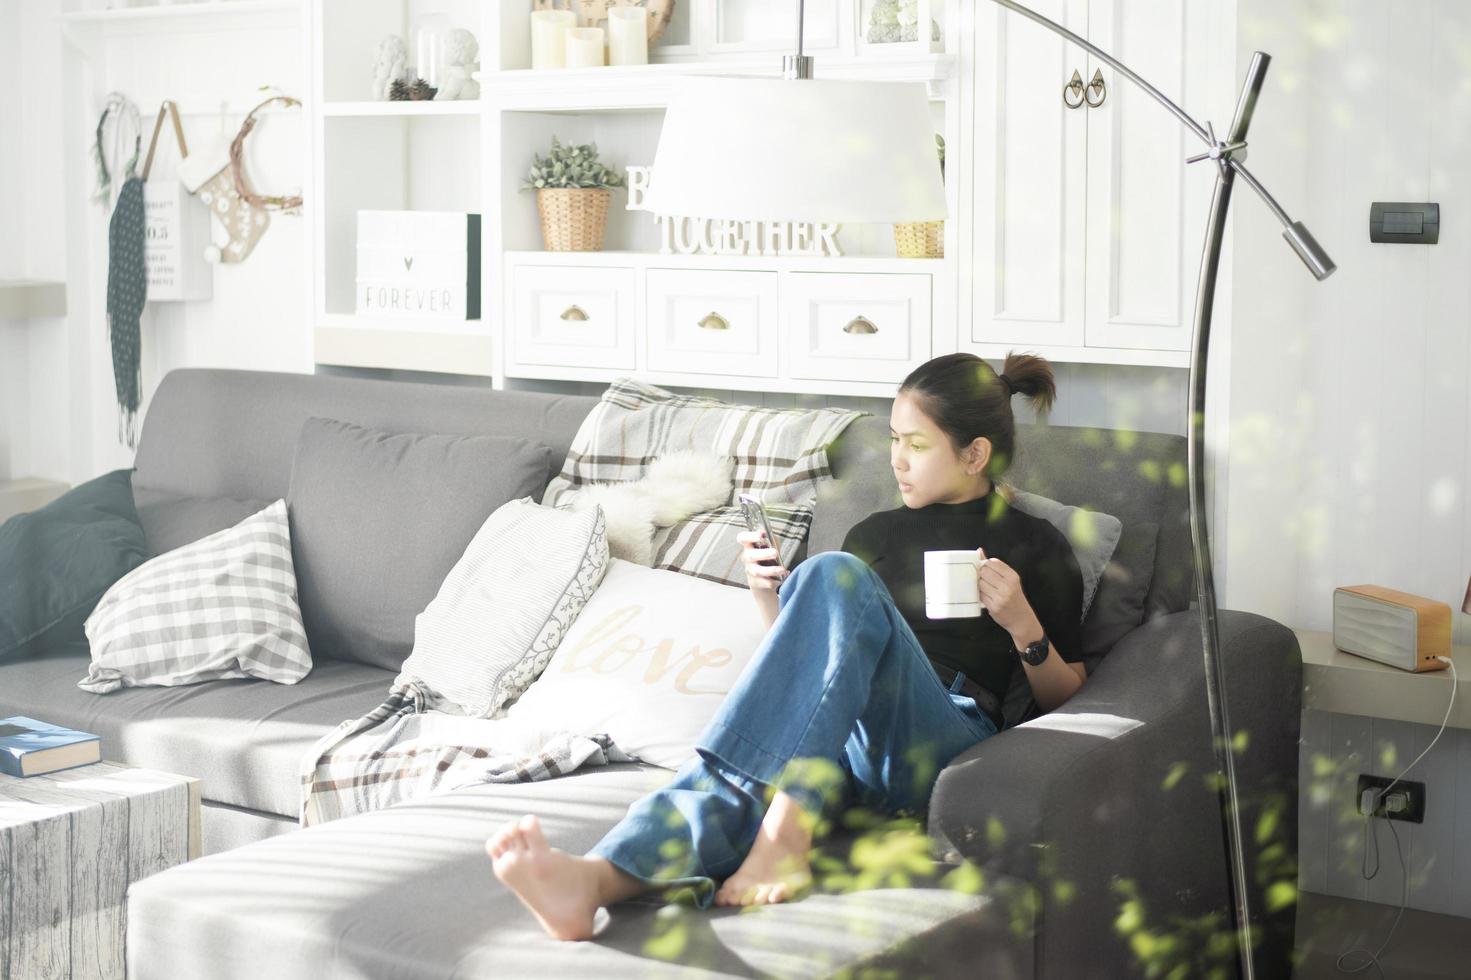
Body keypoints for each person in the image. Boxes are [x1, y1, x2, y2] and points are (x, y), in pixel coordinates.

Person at [486, 351, 1087, 941]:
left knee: (831, 575)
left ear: (974, 454)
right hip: (841, 738)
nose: (898, 461)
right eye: (895, 440)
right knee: (759, 743)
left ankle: (785, 834)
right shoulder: (873, 533)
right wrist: (767, 597)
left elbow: (1072, 695)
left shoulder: (1035, 545)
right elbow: (813, 676)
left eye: (918, 445)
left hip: (940, 738)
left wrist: (1023, 627)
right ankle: (593, 881)